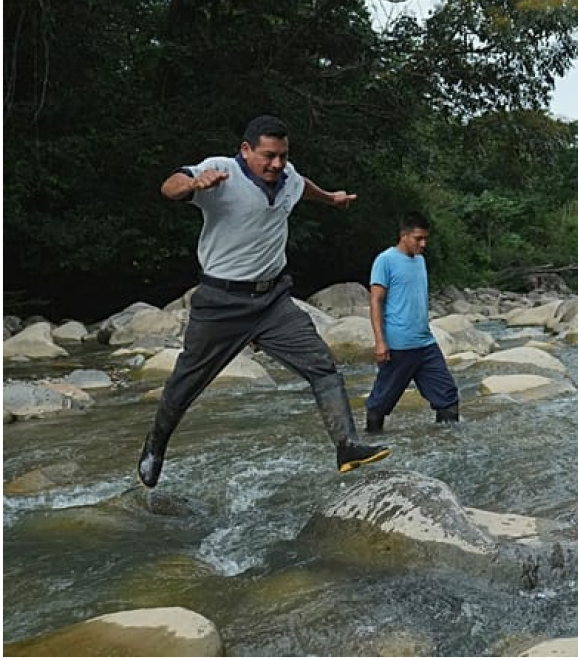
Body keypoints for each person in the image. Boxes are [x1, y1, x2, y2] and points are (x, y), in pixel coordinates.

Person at [137, 115, 391, 488]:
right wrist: (193, 184)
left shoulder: (287, 177)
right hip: (221, 302)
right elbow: (168, 186)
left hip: (273, 302)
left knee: (322, 365)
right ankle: (154, 447)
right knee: (186, 383)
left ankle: (347, 446)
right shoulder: (220, 170)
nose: (276, 164)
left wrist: (331, 199)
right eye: (268, 156)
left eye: (282, 156)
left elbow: (301, 186)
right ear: (246, 150)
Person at [364, 212, 461, 432]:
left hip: (425, 344)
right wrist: (380, 341)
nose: (423, 243)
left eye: (426, 238)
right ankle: (371, 441)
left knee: (448, 398)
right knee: (380, 404)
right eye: (418, 238)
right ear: (403, 235)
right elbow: (376, 301)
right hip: (399, 345)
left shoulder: (420, 260)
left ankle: (446, 448)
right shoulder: (385, 260)